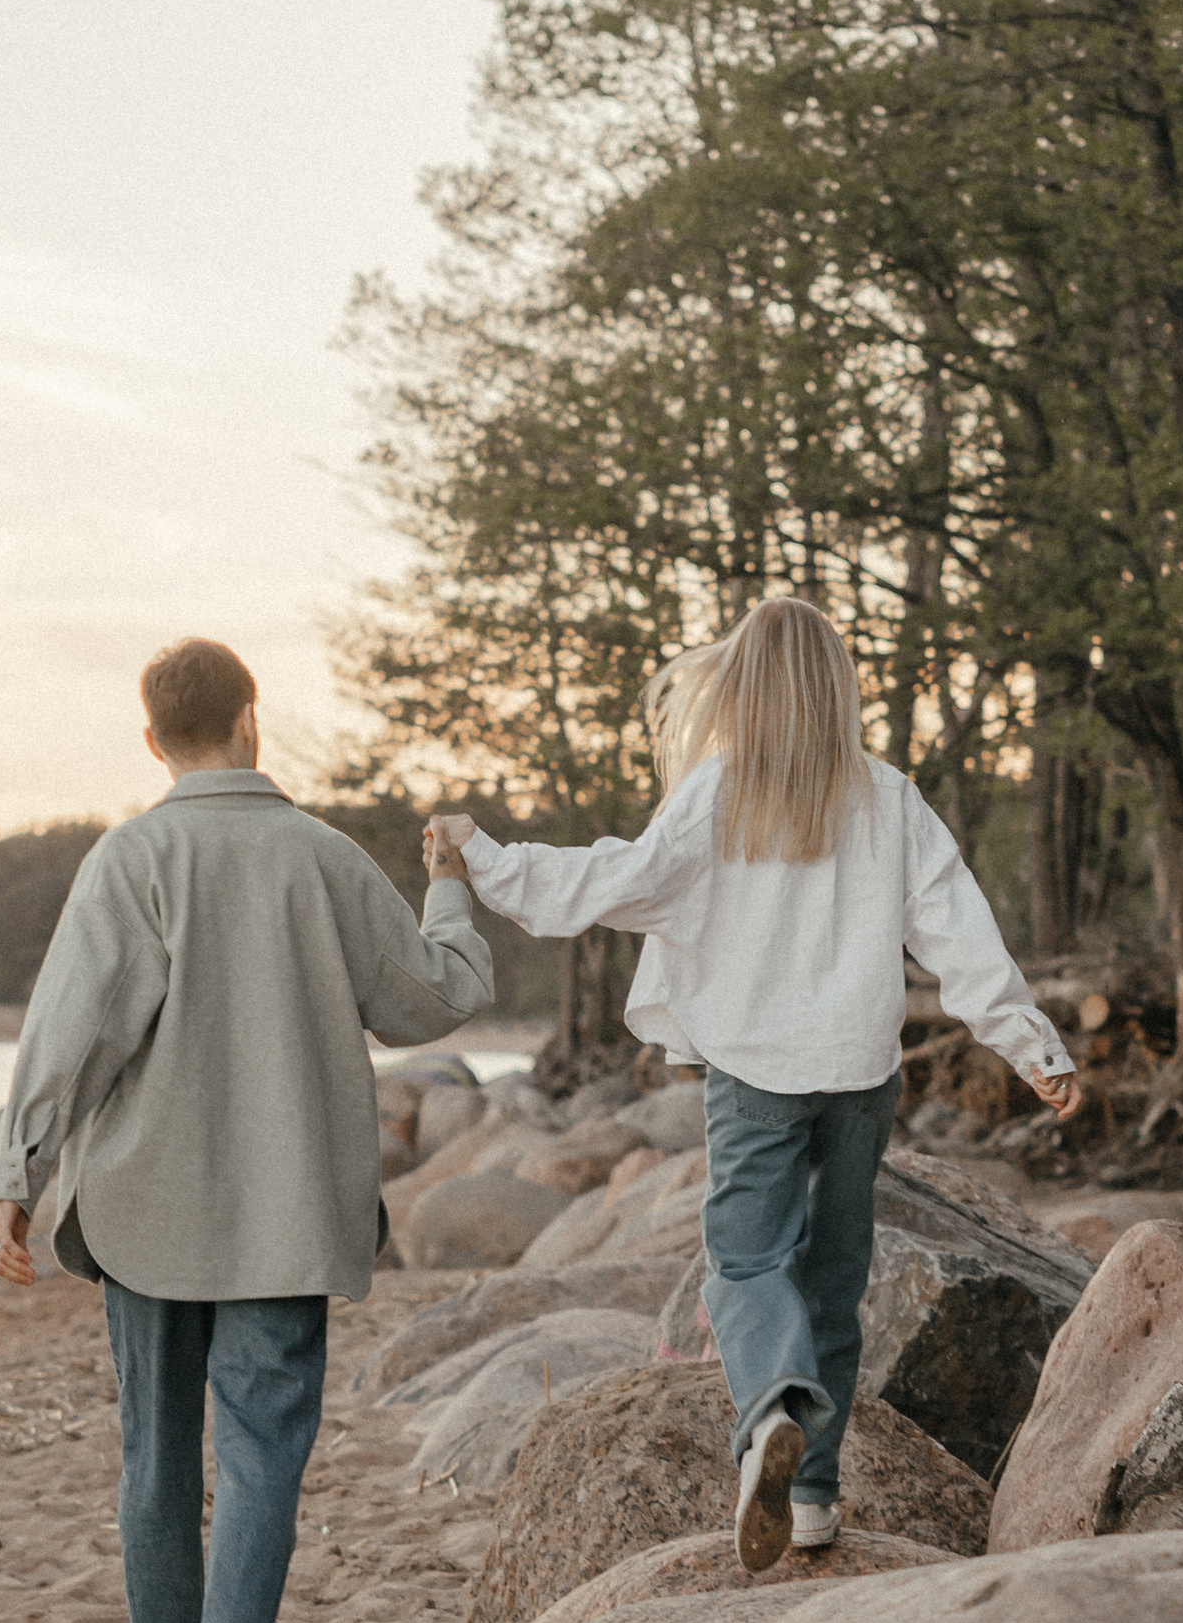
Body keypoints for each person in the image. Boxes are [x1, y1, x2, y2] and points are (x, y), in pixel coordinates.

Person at [427, 596, 1080, 1572]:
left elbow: (614, 880)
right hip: (860, 1075)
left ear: (741, 687)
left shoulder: (717, 791)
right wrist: (1030, 1043)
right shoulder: (887, 795)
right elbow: (955, 927)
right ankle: (812, 1497)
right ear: (838, 690)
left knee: (746, 1265)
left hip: (754, 1075)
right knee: (834, 1279)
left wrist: (483, 858)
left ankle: (772, 1404)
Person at [0, 636, 494, 1623]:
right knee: (262, 1457)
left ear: (155, 741)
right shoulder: (323, 858)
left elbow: (71, 1031)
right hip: (284, 1212)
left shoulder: (130, 860)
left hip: (145, 1207)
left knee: (154, 1455)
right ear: (252, 720)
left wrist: (14, 1176)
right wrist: (451, 891)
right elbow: (430, 998)